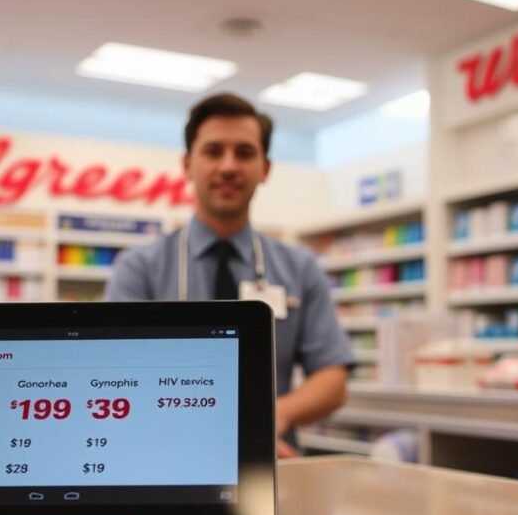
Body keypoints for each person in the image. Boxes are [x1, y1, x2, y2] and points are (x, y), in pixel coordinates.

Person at [105, 92, 354, 458]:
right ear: (187, 164)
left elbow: (332, 379)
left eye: (245, 152)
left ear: (265, 168)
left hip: (271, 462)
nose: (228, 166)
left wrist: (273, 417)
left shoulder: (299, 269)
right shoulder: (139, 268)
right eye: (213, 151)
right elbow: (115, 375)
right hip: (160, 460)